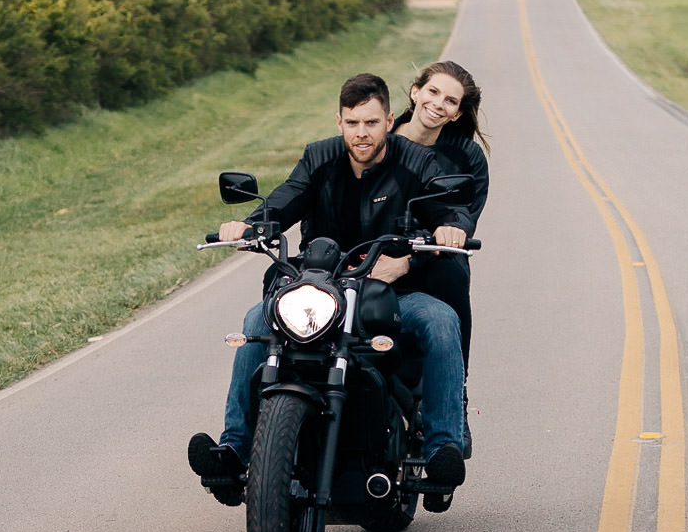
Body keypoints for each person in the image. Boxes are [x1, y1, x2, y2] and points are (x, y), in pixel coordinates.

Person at [188, 72, 468, 503]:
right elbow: (286, 198)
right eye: (353, 123)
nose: (362, 133)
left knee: (441, 319)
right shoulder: (319, 158)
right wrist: (250, 224)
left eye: (372, 123)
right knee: (254, 323)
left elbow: (448, 206)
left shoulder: (417, 162)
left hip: (391, 292)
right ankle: (233, 450)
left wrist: (451, 226)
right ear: (339, 122)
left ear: (389, 120)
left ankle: (441, 449)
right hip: (322, 290)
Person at [391, 60, 488, 376]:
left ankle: (455, 388)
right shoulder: (376, 141)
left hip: (428, 257)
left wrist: (454, 227)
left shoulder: (466, 156)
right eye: (433, 92)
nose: (438, 104)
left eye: (450, 100)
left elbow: (462, 214)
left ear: (457, 113)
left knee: (452, 269)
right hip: (370, 254)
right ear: (416, 92)